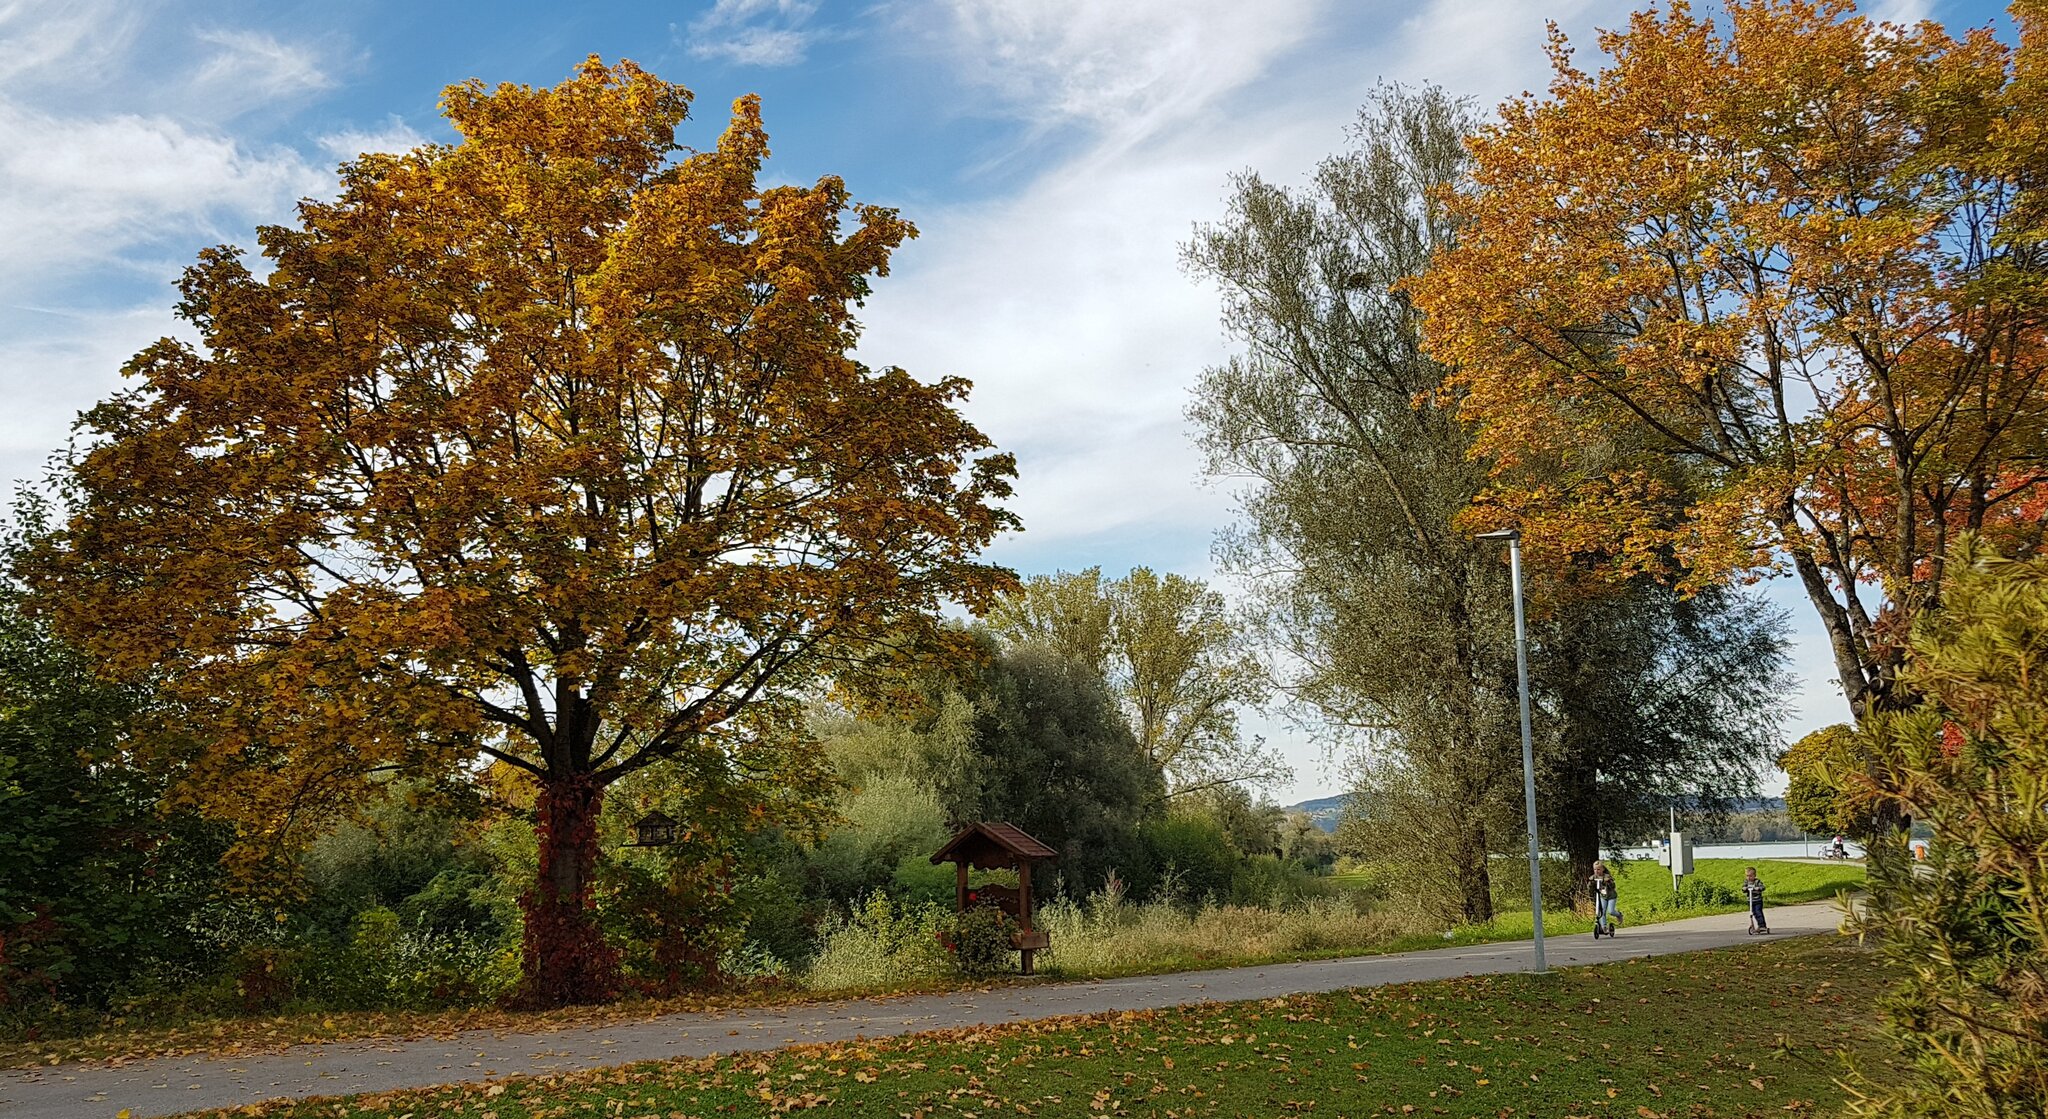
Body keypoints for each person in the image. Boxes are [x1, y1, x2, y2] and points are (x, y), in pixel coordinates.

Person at [1589, 862, 1620, 938]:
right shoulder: (1594, 877)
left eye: (1598, 869)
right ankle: (1604, 927)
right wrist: (1590, 884)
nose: (1596, 871)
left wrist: (1608, 881)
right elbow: (1590, 887)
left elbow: (1613, 886)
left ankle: (1619, 915)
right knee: (1601, 911)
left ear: (1603, 869)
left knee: (1611, 911)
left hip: (1611, 896)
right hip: (1603, 896)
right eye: (1595, 869)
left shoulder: (1607, 876)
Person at [1743, 866, 1769, 935]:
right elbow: (1743, 888)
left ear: (1754, 875)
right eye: (1747, 876)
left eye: (1750, 876)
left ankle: (1762, 925)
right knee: (1753, 913)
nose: (1749, 877)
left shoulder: (1757, 881)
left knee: (1758, 912)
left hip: (1757, 900)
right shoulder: (1746, 882)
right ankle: (1754, 925)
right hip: (1750, 901)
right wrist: (1744, 888)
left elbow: (1763, 887)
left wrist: (1758, 888)